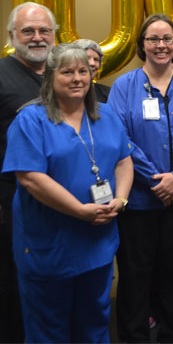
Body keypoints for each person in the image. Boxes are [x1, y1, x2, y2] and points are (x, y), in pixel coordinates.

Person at [2, 43, 133, 343]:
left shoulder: (107, 115)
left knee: (95, 320)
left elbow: (124, 161)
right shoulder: (30, 120)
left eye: (83, 71)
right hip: (50, 245)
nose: (77, 78)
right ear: (50, 78)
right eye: (67, 72)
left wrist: (121, 200)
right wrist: (79, 210)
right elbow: (30, 178)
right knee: (49, 326)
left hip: (97, 242)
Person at [108, 14, 173, 343]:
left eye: (167, 38)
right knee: (136, 275)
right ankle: (134, 336)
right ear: (142, 45)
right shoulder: (124, 87)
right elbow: (119, 138)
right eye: (153, 39)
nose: (161, 45)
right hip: (140, 201)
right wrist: (157, 180)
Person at [0, 2, 57, 343]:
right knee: (13, 281)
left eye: (43, 31)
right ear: (12, 36)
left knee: (50, 280)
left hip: (59, 197)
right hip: (11, 198)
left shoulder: (61, 74)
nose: (37, 38)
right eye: (28, 31)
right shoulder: (2, 75)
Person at [73, 38, 110, 103]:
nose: (92, 63)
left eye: (96, 60)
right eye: (87, 58)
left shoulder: (108, 93)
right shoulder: (61, 91)